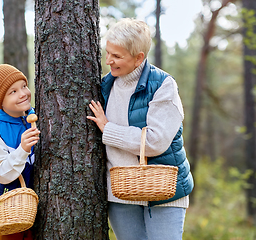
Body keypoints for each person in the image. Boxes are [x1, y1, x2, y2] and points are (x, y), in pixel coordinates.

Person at [87, 18, 194, 240]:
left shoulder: (163, 86)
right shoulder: (103, 86)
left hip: (164, 193)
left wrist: (108, 129)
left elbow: (155, 141)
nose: (108, 61)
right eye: (107, 53)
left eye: (117, 56)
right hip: (120, 194)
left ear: (138, 58)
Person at [0, 64, 40, 240]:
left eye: (23, 86)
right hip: (8, 215)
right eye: (12, 92)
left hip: (33, 211)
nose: (23, 93)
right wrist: (22, 150)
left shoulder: (32, 116)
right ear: (0, 101)